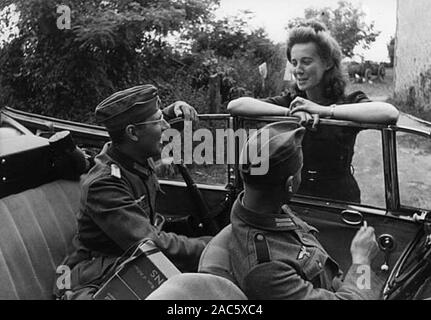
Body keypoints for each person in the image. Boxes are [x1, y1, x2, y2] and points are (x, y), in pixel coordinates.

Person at [54, 84, 211, 299]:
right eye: (159, 121)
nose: (166, 126)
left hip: (128, 260)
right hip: (94, 277)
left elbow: (149, 121)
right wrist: (208, 247)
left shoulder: (133, 153)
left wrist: (175, 109)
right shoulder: (105, 184)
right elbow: (148, 243)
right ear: (132, 133)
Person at [227, 21, 399, 202]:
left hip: (338, 201)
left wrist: (324, 111)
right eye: (294, 62)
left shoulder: (347, 102)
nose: (298, 70)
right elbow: (236, 105)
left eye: (306, 62)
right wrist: (290, 113)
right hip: (294, 197)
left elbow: (389, 113)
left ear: (327, 63)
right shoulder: (292, 102)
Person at [229, 121, 384, 300]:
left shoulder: (263, 209)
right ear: (289, 184)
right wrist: (361, 261)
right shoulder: (267, 270)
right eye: (300, 170)